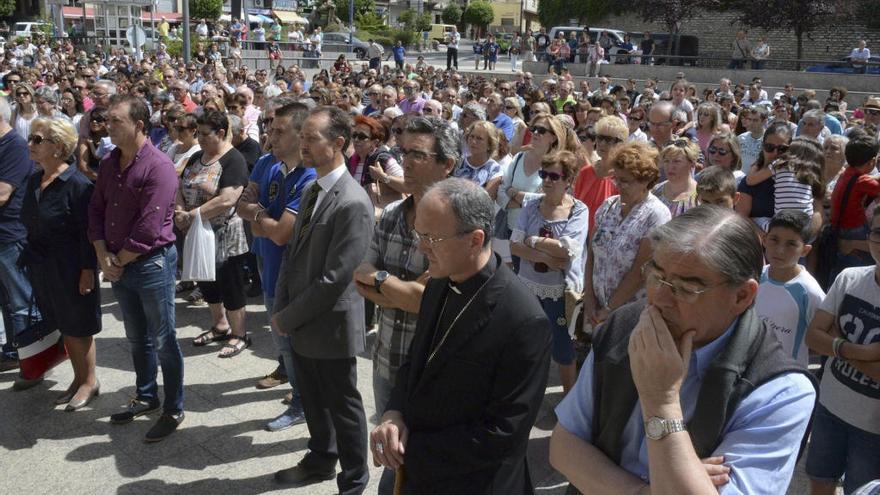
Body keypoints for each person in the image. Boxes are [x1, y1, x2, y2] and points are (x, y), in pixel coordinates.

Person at [552, 205, 817, 494]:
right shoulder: (625, 325)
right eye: (656, 276)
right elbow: (563, 446)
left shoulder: (782, 391)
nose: (659, 300)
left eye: (686, 288)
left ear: (742, 296)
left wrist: (661, 402)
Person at [369, 177, 551, 494]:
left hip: (474, 482)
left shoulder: (523, 320)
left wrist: (411, 448)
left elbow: (502, 433)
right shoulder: (439, 281)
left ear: (474, 239)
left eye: (432, 239)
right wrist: (393, 414)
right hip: (422, 476)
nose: (421, 246)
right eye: (419, 234)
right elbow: (416, 364)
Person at [352, 116, 457, 494]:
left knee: (422, 453)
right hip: (387, 355)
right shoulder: (393, 215)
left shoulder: (456, 223)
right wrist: (395, 288)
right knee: (391, 444)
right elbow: (360, 277)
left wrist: (381, 281)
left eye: (418, 154)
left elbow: (423, 300)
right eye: (403, 152)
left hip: (433, 365)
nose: (406, 162)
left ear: (447, 164)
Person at [271, 106, 373, 493]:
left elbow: (335, 279)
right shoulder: (313, 188)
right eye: (303, 137)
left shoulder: (352, 202)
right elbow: (293, 257)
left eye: (311, 138)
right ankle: (320, 457)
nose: (303, 145)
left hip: (329, 326)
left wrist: (287, 317)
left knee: (343, 406)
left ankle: (354, 480)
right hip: (301, 321)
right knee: (312, 400)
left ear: (339, 144)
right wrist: (281, 309)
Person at [88, 94, 183, 442]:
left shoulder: (157, 167)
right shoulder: (111, 162)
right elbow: (96, 210)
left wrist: (116, 262)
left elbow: (148, 228)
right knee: (136, 337)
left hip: (150, 264)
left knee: (163, 339)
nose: (107, 126)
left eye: (115, 121)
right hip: (117, 263)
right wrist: (102, 256)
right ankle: (146, 395)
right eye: (107, 120)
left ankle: (173, 407)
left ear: (139, 125)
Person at [237, 101, 316, 431]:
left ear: (302, 135)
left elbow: (282, 233)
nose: (270, 135)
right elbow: (243, 204)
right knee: (283, 342)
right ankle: (298, 391)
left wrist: (257, 216)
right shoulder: (268, 163)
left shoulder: (310, 176)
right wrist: (259, 217)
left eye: (279, 131)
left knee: (293, 343)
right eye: (269, 128)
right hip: (267, 266)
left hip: (294, 277)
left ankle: (303, 404)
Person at [22, 117, 101, 410]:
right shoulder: (34, 179)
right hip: (43, 266)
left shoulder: (77, 184)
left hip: (72, 267)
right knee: (64, 324)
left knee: (79, 325)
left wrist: (87, 270)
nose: (30, 144)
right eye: (31, 138)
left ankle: (89, 381)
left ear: (57, 146)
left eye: (37, 139)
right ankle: (78, 378)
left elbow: (88, 233)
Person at [805, 207, 880, 495]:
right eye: (878, 232)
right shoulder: (850, 278)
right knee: (820, 482)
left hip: (873, 427)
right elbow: (813, 337)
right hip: (830, 405)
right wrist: (865, 351)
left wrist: (836, 342)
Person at [511, 150, 588, 394]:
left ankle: (569, 402)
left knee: (563, 350)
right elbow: (514, 245)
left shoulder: (579, 210)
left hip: (560, 292)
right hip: (528, 287)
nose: (547, 181)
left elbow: (567, 252)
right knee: (527, 345)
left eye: (554, 176)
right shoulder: (532, 205)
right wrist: (544, 254)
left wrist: (531, 241)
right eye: (544, 174)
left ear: (568, 181)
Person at [176, 110, 251, 358]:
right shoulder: (198, 155)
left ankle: (239, 334)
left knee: (230, 284)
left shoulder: (233, 160)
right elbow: (180, 183)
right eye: (197, 133)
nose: (200, 139)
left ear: (220, 133)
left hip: (225, 234)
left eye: (205, 134)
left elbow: (228, 199)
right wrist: (179, 209)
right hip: (196, 231)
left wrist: (193, 213)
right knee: (207, 281)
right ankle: (219, 325)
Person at [584, 141, 671, 327]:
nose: (619, 186)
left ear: (646, 181)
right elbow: (591, 254)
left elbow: (640, 271)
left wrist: (608, 309)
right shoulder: (608, 206)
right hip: (598, 310)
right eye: (617, 179)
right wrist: (590, 301)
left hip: (630, 315)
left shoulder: (656, 214)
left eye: (626, 181)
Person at [0, 96, 42, 381]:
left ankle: (34, 359)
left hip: (11, 234)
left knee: (21, 300)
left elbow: (3, 193)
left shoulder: (14, 145)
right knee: (7, 299)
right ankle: (15, 352)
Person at [828, 129, 880, 279]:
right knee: (859, 264)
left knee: (841, 264)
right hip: (854, 229)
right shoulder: (862, 181)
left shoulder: (847, 173)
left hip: (840, 226)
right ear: (871, 162)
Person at [736, 121, 793, 233]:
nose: (775, 153)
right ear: (762, 147)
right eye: (769, 147)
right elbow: (741, 217)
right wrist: (765, 238)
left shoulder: (799, 177)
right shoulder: (749, 181)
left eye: (782, 149)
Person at [573, 115, 625, 232]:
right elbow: (575, 206)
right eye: (600, 138)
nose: (602, 143)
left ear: (620, 144)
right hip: (580, 234)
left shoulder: (623, 177)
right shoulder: (585, 172)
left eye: (608, 140)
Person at [653, 140, 700, 218]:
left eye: (677, 161)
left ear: (692, 164)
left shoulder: (701, 196)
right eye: (666, 161)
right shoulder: (656, 191)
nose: (670, 166)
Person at [455, 120, 502, 188]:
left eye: (479, 138)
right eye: (472, 136)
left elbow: (487, 197)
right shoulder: (458, 163)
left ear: (490, 144)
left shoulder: (494, 170)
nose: (473, 141)